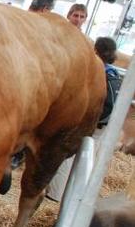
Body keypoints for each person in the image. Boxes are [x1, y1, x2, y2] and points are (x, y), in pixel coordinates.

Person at [46, 36, 122, 201]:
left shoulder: (98, 71)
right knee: (88, 158)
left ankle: (54, 195)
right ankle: (76, 196)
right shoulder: (114, 73)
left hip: (91, 122)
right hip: (103, 126)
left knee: (67, 155)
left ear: (95, 50)